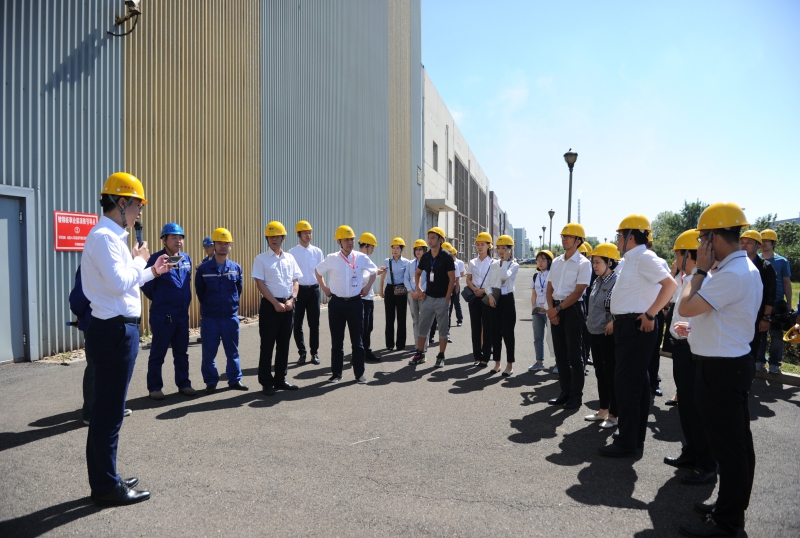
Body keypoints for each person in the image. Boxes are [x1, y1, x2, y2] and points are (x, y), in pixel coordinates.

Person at [81, 172, 170, 505]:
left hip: (118, 329)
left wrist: (152, 270)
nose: (139, 213)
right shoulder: (104, 237)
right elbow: (120, 283)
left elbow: (124, 281)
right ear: (121, 203)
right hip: (114, 331)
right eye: (137, 206)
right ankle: (105, 487)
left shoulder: (111, 237)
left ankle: (107, 477)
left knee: (110, 410)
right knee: (109, 412)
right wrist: (140, 261)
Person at [675, 202, 760, 538]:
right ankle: (730, 507)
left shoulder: (730, 274)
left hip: (722, 370)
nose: (699, 245)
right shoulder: (738, 269)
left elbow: (685, 306)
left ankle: (728, 522)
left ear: (713, 238)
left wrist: (698, 270)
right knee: (735, 445)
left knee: (730, 448)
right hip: (727, 365)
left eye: (702, 239)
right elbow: (717, 317)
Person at [599, 215, 676, 458]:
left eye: (619, 235)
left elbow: (670, 285)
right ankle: (633, 438)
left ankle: (627, 441)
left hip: (635, 327)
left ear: (631, 237)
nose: (617, 240)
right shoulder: (631, 259)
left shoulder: (644, 257)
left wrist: (651, 314)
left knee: (627, 386)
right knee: (637, 386)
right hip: (627, 326)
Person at [663, 230, 717, 486]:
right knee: (686, 405)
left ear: (688, 256)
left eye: (677, 255)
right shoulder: (685, 279)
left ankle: (706, 464)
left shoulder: (704, 281)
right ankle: (691, 452)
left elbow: (709, 317)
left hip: (693, 349)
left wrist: (690, 330)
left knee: (697, 409)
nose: (674, 260)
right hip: (681, 348)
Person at [314, 225, 377, 383]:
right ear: (339, 242)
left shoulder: (361, 257)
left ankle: (359, 374)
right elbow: (318, 271)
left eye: (352, 239)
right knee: (337, 341)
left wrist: (368, 287)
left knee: (357, 341)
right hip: (337, 304)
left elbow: (374, 271)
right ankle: (336, 374)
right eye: (346, 240)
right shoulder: (332, 258)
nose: (350, 242)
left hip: (355, 303)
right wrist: (325, 288)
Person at [141, 223, 195, 400]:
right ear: (164, 240)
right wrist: (161, 299)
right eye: (174, 237)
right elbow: (146, 285)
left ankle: (184, 383)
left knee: (181, 352)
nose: (178, 241)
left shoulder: (186, 258)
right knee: (158, 352)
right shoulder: (156, 259)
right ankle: (155, 387)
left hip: (181, 314)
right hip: (163, 315)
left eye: (180, 238)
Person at [195, 227, 248, 393]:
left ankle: (235, 379)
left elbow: (238, 290)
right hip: (210, 317)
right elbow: (200, 292)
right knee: (208, 352)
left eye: (226, 243)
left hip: (230, 317)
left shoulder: (236, 268)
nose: (223, 246)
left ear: (230, 246)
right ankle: (211, 381)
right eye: (219, 243)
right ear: (214, 245)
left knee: (232, 351)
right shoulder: (203, 269)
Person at [546, 223, 592, 410]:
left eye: (568, 236)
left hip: (573, 309)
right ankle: (564, 392)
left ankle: (576, 396)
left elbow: (579, 291)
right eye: (563, 236)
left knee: (574, 355)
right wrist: (551, 309)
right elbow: (549, 287)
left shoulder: (584, 263)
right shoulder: (557, 261)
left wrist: (557, 309)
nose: (564, 239)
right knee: (560, 355)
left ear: (578, 241)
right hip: (556, 307)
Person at [253, 221, 302, 395]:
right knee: (267, 345)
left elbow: (295, 281)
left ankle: (280, 379)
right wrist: (275, 303)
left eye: (277, 236)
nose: (273, 239)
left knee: (284, 344)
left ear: (283, 238)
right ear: (267, 239)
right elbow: (260, 283)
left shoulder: (290, 258)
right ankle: (266, 382)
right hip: (270, 306)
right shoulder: (261, 259)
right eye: (270, 236)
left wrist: (292, 299)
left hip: (288, 305)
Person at [584, 243, 619, 430]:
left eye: (598, 262)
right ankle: (603, 410)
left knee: (610, 375)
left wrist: (614, 320)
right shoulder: (597, 280)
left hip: (607, 335)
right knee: (599, 372)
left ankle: (614, 415)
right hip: (594, 332)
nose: (594, 266)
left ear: (610, 262)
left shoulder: (618, 281)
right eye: (593, 262)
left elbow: (622, 305)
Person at [411, 226, 456, 367]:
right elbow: (418, 273)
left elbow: (452, 279)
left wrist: (447, 298)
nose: (430, 240)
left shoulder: (446, 257)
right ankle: (420, 353)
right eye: (429, 238)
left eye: (433, 238)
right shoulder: (426, 256)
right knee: (423, 328)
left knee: (442, 330)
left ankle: (441, 356)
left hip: (442, 299)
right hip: (428, 299)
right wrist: (419, 288)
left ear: (440, 240)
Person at [288, 220, 324, 366]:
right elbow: (290, 275)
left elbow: (320, 272)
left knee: (314, 324)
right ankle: (302, 353)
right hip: (299, 291)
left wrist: (324, 287)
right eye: (305, 233)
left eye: (310, 232)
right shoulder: (291, 253)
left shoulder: (317, 251)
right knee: (297, 324)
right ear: (299, 234)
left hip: (314, 290)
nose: (308, 235)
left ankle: (314, 353)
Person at [757, 228, 792, 374]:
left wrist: (788, 303)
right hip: (759, 303)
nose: (764, 244)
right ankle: (759, 361)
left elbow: (787, 283)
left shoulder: (782, 261)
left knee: (776, 335)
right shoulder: (755, 260)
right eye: (762, 241)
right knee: (760, 334)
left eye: (767, 241)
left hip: (777, 303)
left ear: (773, 243)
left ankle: (774, 364)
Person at [740, 230, 776, 361]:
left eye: (749, 242)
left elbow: (770, 294)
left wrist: (766, 318)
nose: (744, 245)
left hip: (756, 316)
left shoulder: (766, 267)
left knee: (751, 351)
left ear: (758, 246)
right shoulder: (735, 264)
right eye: (742, 242)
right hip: (737, 315)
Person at [486, 235, 519, 376]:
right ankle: (497, 363)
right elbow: (487, 283)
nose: (500, 251)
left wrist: (505, 261)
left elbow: (504, 276)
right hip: (494, 298)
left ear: (510, 250)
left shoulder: (514, 265)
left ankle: (509, 365)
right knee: (495, 333)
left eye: (504, 248)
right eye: (498, 248)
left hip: (507, 300)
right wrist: (489, 295)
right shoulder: (493, 264)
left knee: (508, 333)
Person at [465, 232, 495, 367]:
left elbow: (494, 281)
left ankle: (486, 357)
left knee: (487, 327)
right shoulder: (472, 262)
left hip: (487, 296)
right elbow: (468, 279)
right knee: (475, 327)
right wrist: (474, 289)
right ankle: (476, 356)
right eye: (478, 244)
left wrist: (482, 291)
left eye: (483, 244)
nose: (480, 247)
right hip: (474, 296)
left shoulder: (494, 263)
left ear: (489, 246)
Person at [358, 232, 384, 362]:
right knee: (362, 328)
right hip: (362, 299)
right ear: (366, 246)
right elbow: (364, 278)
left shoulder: (366, 258)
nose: (373, 250)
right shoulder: (359, 258)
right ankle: (361, 352)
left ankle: (366, 350)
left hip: (368, 298)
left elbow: (371, 274)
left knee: (368, 327)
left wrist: (377, 271)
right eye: (372, 247)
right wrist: (376, 272)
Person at [380, 237, 409, 351]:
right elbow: (383, 277)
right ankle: (389, 344)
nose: (395, 250)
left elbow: (407, 278)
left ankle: (401, 345)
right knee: (389, 317)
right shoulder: (387, 261)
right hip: (390, 289)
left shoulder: (406, 262)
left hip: (402, 290)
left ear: (401, 249)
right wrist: (381, 290)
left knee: (401, 318)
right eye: (393, 248)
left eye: (397, 248)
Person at [529, 250, 555, 373]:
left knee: (553, 337)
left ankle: (558, 363)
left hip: (549, 311)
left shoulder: (553, 275)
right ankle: (539, 362)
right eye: (538, 260)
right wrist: (534, 306)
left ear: (549, 261)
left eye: (543, 260)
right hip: (537, 311)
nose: (540, 263)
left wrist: (547, 307)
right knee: (537, 337)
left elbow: (554, 292)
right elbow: (533, 293)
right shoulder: (536, 276)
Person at [405, 239, 429, 354]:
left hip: (423, 294)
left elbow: (430, 278)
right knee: (415, 320)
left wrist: (421, 290)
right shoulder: (410, 264)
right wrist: (411, 291)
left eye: (420, 249)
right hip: (412, 294)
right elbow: (406, 278)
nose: (418, 251)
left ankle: (424, 345)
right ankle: (417, 344)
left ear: (425, 250)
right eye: (416, 249)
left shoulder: (429, 263)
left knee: (424, 320)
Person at [450, 246, 465, 327]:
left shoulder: (459, 263)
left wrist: (457, 281)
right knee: (447, 305)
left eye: (453, 254)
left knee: (456, 303)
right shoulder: (447, 261)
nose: (453, 256)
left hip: (456, 284)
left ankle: (459, 319)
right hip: (448, 285)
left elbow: (462, 274)